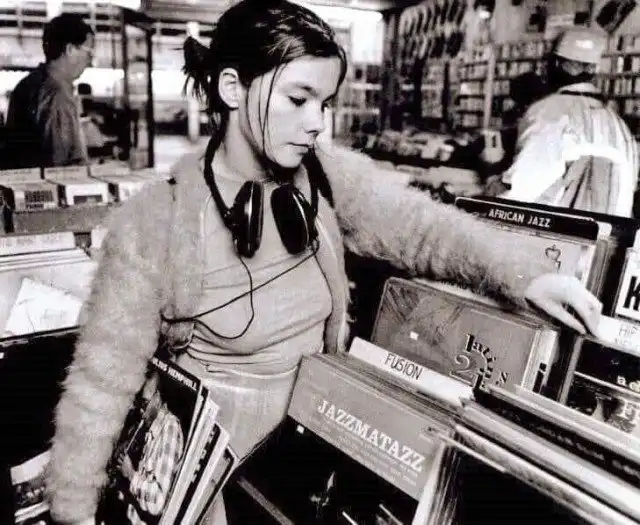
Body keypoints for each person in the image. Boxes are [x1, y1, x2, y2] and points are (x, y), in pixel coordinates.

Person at [46, 2, 603, 525]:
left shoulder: (326, 178)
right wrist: (73, 508)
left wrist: (526, 277)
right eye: (298, 99)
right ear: (233, 88)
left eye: (325, 103)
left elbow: (424, 228)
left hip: (313, 459)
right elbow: (101, 382)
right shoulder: (156, 222)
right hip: (209, 486)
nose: (317, 122)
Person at [496, 28, 638, 216]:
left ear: (555, 64)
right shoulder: (619, 124)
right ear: (593, 70)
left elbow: (519, 191)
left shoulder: (550, 111)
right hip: (612, 231)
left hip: (557, 230)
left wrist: (489, 174)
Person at [5, 13, 93, 168]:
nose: (90, 60)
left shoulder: (29, 83)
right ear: (70, 49)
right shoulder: (57, 94)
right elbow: (59, 167)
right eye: (88, 51)